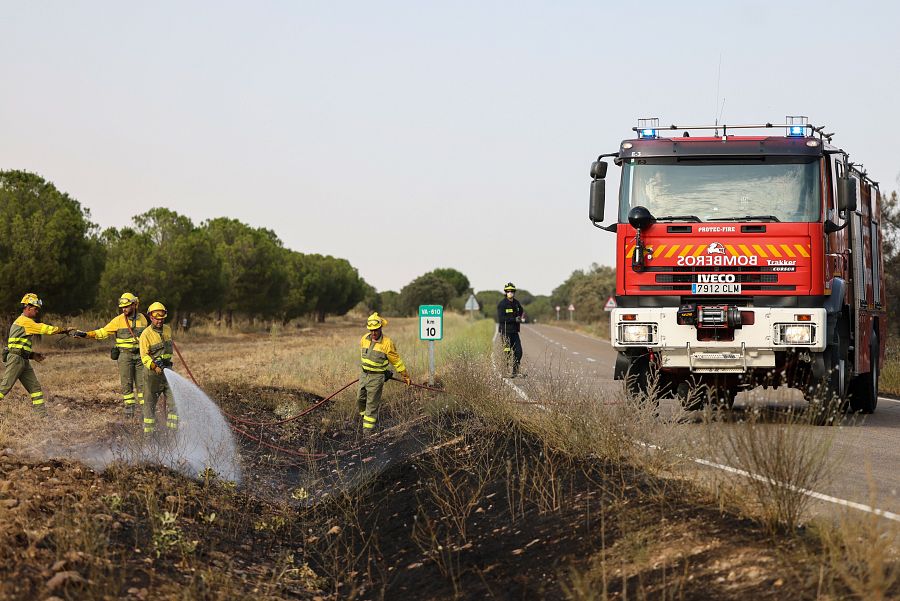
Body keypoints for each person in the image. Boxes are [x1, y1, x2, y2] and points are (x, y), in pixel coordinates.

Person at [75, 292, 148, 417]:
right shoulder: (118, 321)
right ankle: (129, 413)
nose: (124, 309)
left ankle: (146, 414)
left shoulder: (144, 319)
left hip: (141, 357)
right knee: (127, 385)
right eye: (122, 307)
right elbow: (102, 332)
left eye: (126, 306)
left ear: (135, 305)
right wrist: (86, 334)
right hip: (125, 357)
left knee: (143, 386)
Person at [0, 294, 74, 414]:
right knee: (4, 388)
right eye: (36, 308)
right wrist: (63, 330)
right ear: (28, 307)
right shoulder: (25, 321)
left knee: (35, 388)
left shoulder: (24, 322)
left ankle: (41, 415)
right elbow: (43, 328)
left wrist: (32, 355)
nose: (37, 311)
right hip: (16, 360)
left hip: (23, 359)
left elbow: (19, 346)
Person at [357, 312, 410, 435]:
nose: (373, 333)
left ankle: (367, 433)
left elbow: (397, 362)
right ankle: (366, 418)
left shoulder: (387, 343)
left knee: (371, 404)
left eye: (376, 330)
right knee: (360, 399)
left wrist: (405, 375)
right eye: (371, 330)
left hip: (376, 378)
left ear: (381, 328)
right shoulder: (364, 339)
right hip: (364, 375)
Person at [139, 302, 176, 435]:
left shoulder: (167, 329)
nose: (159, 320)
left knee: (174, 403)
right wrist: (154, 366)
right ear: (150, 317)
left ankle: (172, 436)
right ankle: (149, 437)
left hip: (167, 371)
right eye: (156, 317)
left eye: (162, 317)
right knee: (149, 407)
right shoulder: (145, 335)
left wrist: (165, 365)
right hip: (152, 375)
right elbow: (144, 357)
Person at [497, 282, 525, 377]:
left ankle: (515, 371)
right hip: (505, 333)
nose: (510, 292)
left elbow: (521, 311)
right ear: (505, 292)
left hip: (514, 332)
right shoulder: (502, 304)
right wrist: (514, 319)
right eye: (508, 291)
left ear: (514, 292)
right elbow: (501, 319)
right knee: (507, 351)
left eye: (512, 291)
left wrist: (520, 317)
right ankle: (505, 371)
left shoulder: (517, 303)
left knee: (519, 352)